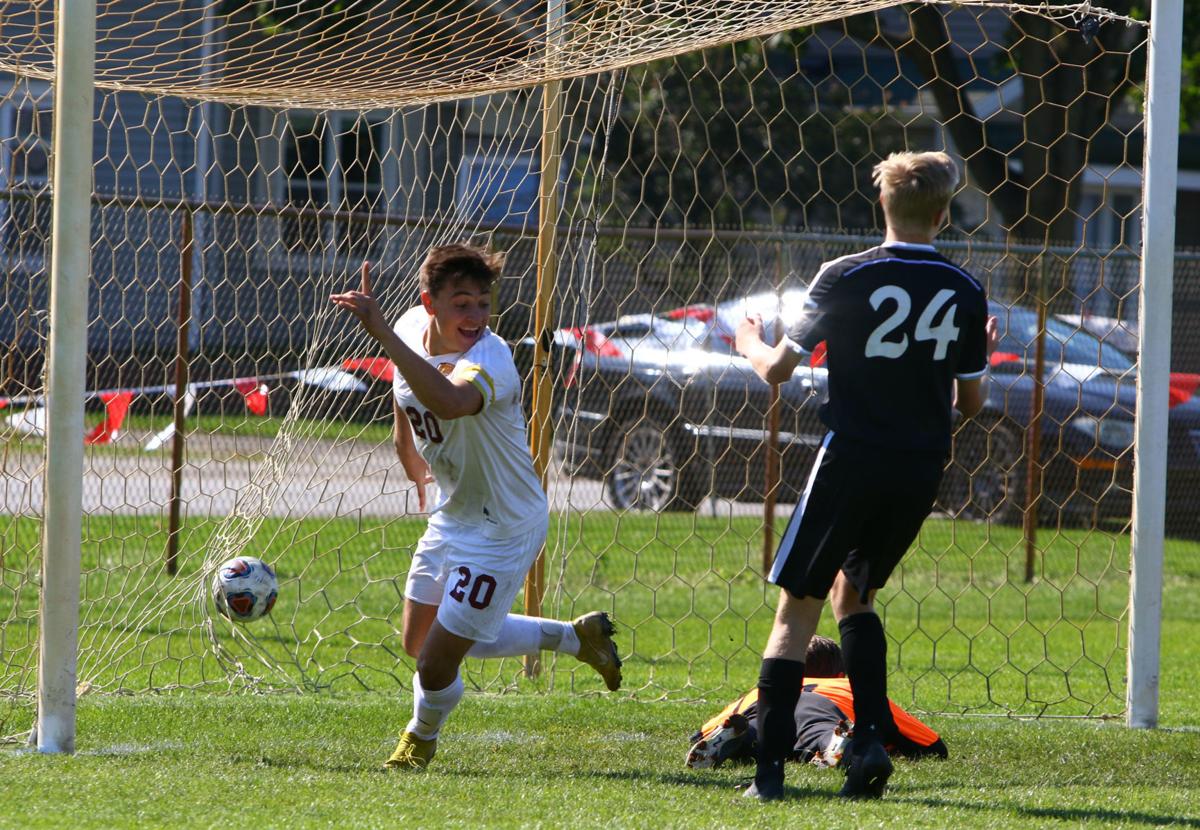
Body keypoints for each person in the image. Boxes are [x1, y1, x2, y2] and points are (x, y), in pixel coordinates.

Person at [734, 151, 998, 801]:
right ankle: (870, 744)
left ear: (881, 204)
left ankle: (768, 776)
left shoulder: (842, 275)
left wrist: (746, 340)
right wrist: (977, 354)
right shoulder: (965, 290)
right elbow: (971, 404)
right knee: (855, 596)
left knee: (795, 611)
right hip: (920, 464)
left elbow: (777, 369)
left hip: (851, 455)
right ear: (943, 214)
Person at [330, 243, 622, 770]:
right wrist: (407, 450)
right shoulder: (409, 325)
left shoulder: (491, 357)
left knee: (437, 665)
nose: (476, 316)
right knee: (418, 642)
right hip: (454, 514)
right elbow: (408, 393)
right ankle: (575, 639)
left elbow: (452, 402)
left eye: (484, 303)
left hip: (505, 527)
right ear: (430, 303)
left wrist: (382, 336)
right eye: (462, 303)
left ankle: (418, 740)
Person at [684, 636, 946, 771]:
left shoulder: (759, 689)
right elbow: (934, 747)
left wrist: (720, 732)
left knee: (761, 733)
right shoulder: (846, 687)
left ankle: (744, 739)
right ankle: (830, 743)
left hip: (766, 702)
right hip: (824, 705)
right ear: (840, 674)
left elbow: (701, 734)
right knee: (819, 729)